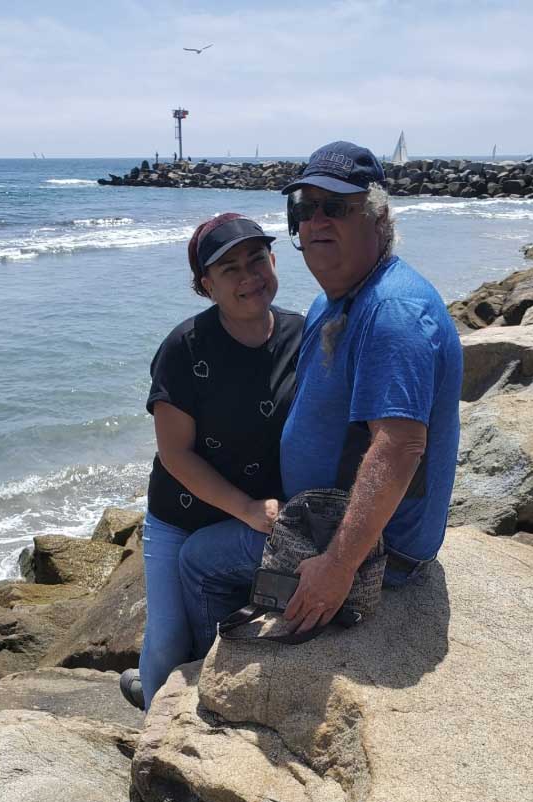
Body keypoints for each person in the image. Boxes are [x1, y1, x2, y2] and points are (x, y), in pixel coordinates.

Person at [177, 140, 463, 649]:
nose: (316, 223)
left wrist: (337, 565)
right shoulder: (332, 301)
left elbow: (399, 448)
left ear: (377, 218)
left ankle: (202, 677)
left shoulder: (392, 311)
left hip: (378, 549)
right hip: (321, 514)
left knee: (199, 560)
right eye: (304, 209)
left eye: (336, 208)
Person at [120, 213, 303, 709]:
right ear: (207, 286)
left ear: (273, 260)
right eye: (230, 270)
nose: (249, 277)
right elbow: (174, 454)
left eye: (257, 259)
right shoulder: (185, 348)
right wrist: (244, 507)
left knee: (261, 623)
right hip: (183, 515)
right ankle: (154, 718)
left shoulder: (300, 335)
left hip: (258, 514)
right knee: (167, 635)